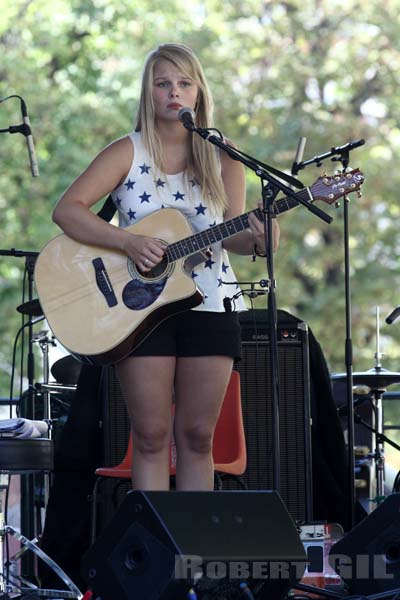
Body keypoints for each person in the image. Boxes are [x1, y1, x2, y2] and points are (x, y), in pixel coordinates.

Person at [52, 42, 280, 492]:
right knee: (151, 436)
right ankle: (157, 555)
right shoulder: (127, 151)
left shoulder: (224, 155)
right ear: (148, 93)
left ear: (198, 93)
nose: (174, 92)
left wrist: (259, 234)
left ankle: (192, 559)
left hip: (211, 302)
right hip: (139, 311)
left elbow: (230, 233)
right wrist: (129, 242)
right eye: (163, 84)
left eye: (183, 83)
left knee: (198, 437)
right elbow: (67, 210)